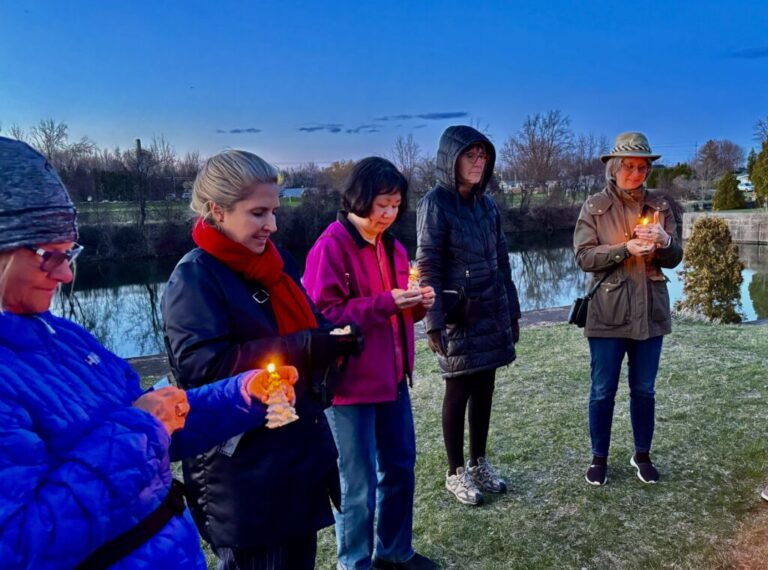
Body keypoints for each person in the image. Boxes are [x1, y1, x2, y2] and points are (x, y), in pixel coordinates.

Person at [0, 137, 286, 569]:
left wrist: (244, 393)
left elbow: (154, 419)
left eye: (69, 252)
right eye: (48, 255)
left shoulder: (62, 336)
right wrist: (141, 427)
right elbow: (19, 546)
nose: (65, 273)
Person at [162, 149, 362, 569]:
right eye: (258, 213)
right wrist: (305, 347)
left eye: (274, 211)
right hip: (243, 476)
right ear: (217, 210)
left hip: (295, 459)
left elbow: (305, 320)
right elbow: (203, 370)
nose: (272, 225)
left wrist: (334, 336)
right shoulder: (195, 277)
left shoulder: (276, 263)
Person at [303, 157, 438, 570]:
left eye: (396, 205)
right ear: (359, 199)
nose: (389, 214)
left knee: (400, 468)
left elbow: (395, 309)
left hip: (393, 379)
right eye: (383, 204)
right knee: (357, 484)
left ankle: (394, 551)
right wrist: (385, 303)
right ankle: (355, 563)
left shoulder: (393, 246)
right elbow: (321, 316)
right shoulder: (332, 245)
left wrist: (416, 306)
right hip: (349, 387)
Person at [416, 126, 521, 506]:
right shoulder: (435, 203)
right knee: (457, 388)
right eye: (470, 156)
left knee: (485, 387)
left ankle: (479, 462)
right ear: (451, 159)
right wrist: (433, 320)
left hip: (490, 307)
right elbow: (427, 262)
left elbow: (503, 261)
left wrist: (511, 310)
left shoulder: (488, 205)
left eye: (483, 156)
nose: (478, 163)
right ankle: (454, 471)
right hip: (459, 311)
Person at [573, 131, 683, 486]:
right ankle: (598, 458)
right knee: (602, 389)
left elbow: (674, 257)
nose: (636, 174)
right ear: (614, 167)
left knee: (644, 390)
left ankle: (643, 455)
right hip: (607, 312)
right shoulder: (593, 206)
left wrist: (666, 243)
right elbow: (584, 257)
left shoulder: (661, 207)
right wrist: (625, 249)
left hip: (651, 314)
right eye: (629, 166)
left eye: (642, 167)